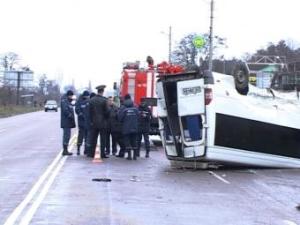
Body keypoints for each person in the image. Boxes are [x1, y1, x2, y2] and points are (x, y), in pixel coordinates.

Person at [89, 85, 109, 158]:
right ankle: (102, 154)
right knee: (103, 139)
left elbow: (89, 112)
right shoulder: (104, 100)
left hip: (94, 122)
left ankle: (91, 153)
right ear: (102, 91)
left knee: (93, 138)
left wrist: (91, 120)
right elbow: (107, 112)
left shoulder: (91, 100)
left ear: (97, 91)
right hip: (102, 122)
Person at [118, 94, 139, 160]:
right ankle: (135, 156)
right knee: (134, 141)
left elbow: (120, 118)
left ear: (125, 99)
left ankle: (129, 156)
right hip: (134, 127)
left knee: (127, 141)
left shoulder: (123, 107)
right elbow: (138, 116)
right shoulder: (135, 107)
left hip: (126, 128)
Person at [60, 90, 75, 156]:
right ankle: (65, 150)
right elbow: (65, 110)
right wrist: (70, 115)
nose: (71, 97)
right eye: (71, 96)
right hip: (66, 122)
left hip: (68, 122)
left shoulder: (68, 102)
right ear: (68, 95)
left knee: (68, 136)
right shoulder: (64, 102)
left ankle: (66, 150)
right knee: (66, 136)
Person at [75, 90, 90, 155]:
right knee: (80, 136)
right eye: (87, 96)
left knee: (87, 136)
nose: (87, 97)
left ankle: (86, 150)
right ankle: (78, 149)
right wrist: (81, 114)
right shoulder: (79, 101)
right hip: (81, 122)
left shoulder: (88, 101)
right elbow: (77, 109)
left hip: (87, 122)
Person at [83, 92, 96, 157]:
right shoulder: (91, 103)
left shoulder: (85, 102)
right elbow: (91, 114)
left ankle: (86, 151)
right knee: (90, 138)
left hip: (86, 123)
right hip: (90, 123)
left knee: (87, 138)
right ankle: (89, 152)